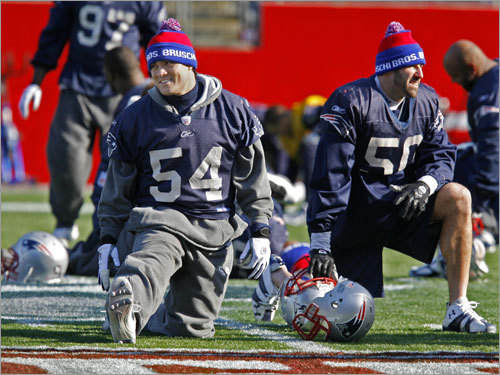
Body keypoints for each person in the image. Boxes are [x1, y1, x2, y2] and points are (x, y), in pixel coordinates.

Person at [305, 21, 495, 334]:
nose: (420, 73)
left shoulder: (427, 101)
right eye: (411, 66)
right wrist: (321, 242)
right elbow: (331, 175)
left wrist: (425, 185)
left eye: (421, 65)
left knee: (458, 196)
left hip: (403, 203)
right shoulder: (351, 101)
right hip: (355, 212)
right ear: (390, 70)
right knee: (328, 312)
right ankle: (278, 277)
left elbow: (442, 156)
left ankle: (457, 307)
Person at [96, 19, 274, 344]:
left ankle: (147, 318)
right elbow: (117, 188)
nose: (160, 73)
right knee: (149, 260)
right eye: (154, 66)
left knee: (192, 329)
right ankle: (128, 302)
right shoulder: (134, 118)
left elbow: (253, 179)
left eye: (168, 63)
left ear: (189, 62)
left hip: (215, 227)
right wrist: (108, 237)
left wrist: (260, 229)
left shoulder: (234, 110)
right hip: (160, 219)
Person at [18, 2, 166, 245]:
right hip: (77, 86)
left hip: (123, 91)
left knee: (122, 167)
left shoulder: (144, 2)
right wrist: (37, 80)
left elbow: (159, 40)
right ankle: (65, 224)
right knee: (66, 159)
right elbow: (56, 30)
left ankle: (123, 229)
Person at [410, 41, 500, 279]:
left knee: (446, 179)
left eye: (457, 76)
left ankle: (462, 250)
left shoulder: (488, 94)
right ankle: (481, 238)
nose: (454, 82)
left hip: (493, 175)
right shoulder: (493, 75)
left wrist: (480, 201)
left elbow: (493, 148)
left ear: (472, 68)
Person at [67, 46, 153, 276]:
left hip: (137, 205)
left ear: (111, 75)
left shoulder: (130, 103)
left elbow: (113, 165)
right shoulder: (154, 92)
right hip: (170, 203)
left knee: (94, 256)